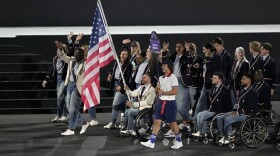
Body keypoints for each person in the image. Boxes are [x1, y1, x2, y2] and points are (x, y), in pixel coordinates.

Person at [141, 60, 183, 149]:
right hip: (161, 102)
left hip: (170, 104)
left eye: (164, 65)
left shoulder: (173, 77)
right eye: (162, 65)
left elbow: (175, 91)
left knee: (173, 123)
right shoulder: (160, 78)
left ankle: (179, 141)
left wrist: (163, 92)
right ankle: (152, 142)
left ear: (169, 66)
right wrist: (157, 90)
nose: (162, 67)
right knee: (156, 122)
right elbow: (157, 89)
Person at [217, 73, 258, 144]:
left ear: (249, 80)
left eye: (243, 79)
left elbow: (250, 107)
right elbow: (239, 104)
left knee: (228, 119)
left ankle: (229, 137)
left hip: (247, 115)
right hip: (239, 112)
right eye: (242, 79)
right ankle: (222, 135)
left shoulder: (253, 92)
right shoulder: (243, 90)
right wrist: (234, 110)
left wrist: (238, 112)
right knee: (219, 117)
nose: (241, 80)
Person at [58, 47, 90, 136]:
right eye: (76, 53)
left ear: (82, 55)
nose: (77, 55)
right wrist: (60, 49)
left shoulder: (85, 64)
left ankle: (71, 128)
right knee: (70, 108)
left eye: (79, 54)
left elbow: (89, 78)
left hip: (78, 88)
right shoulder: (72, 60)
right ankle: (84, 123)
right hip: (70, 85)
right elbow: (63, 57)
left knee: (72, 109)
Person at [192, 72, 232, 137]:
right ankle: (202, 131)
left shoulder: (225, 90)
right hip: (212, 109)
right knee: (199, 114)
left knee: (203, 116)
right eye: (212, 78)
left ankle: (201, 132)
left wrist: (225, 113)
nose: (212, 79)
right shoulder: (213, 88)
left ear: (219, 80)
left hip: (219, 111)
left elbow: (228, 105)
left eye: (214, 78)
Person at [104, 48, 132, 129]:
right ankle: (123, 122)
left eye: (126, 55)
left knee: (115, 105)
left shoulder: (129, 65)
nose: (124, 56)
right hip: (114, 84)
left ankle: (112, 122)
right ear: (120, 55)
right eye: (123, 54)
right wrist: (110, 74)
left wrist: (121, 85)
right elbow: (112, 70)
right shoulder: (117, 62)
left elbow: (127, 78)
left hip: (122, 87)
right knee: (121, 105)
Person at [194, 42, 222, 119]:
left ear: (209, 49)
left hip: (212, 85)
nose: (203, 51)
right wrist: (199, 67)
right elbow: (206, 70)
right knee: (200, 105)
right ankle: (197, 125)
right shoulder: (208, 58)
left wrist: (207, 58)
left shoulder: (216, 57)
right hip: (205, 84)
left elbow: (212, 69)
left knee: (212, 106)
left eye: (204, 49)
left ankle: (212, 124)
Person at [169, 41, 192, 130]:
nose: (178, 48)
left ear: (183, 48)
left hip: (181, 83)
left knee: (180, 106)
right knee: (171, 106)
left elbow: (189, 60)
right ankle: (173, 128)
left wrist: (187, 50)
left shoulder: (185, 57)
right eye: (176, 46)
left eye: (180, 47)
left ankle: (188, 120)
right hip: (172, 82)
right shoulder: (174, 57)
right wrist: (163, 50)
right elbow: (166, 61)